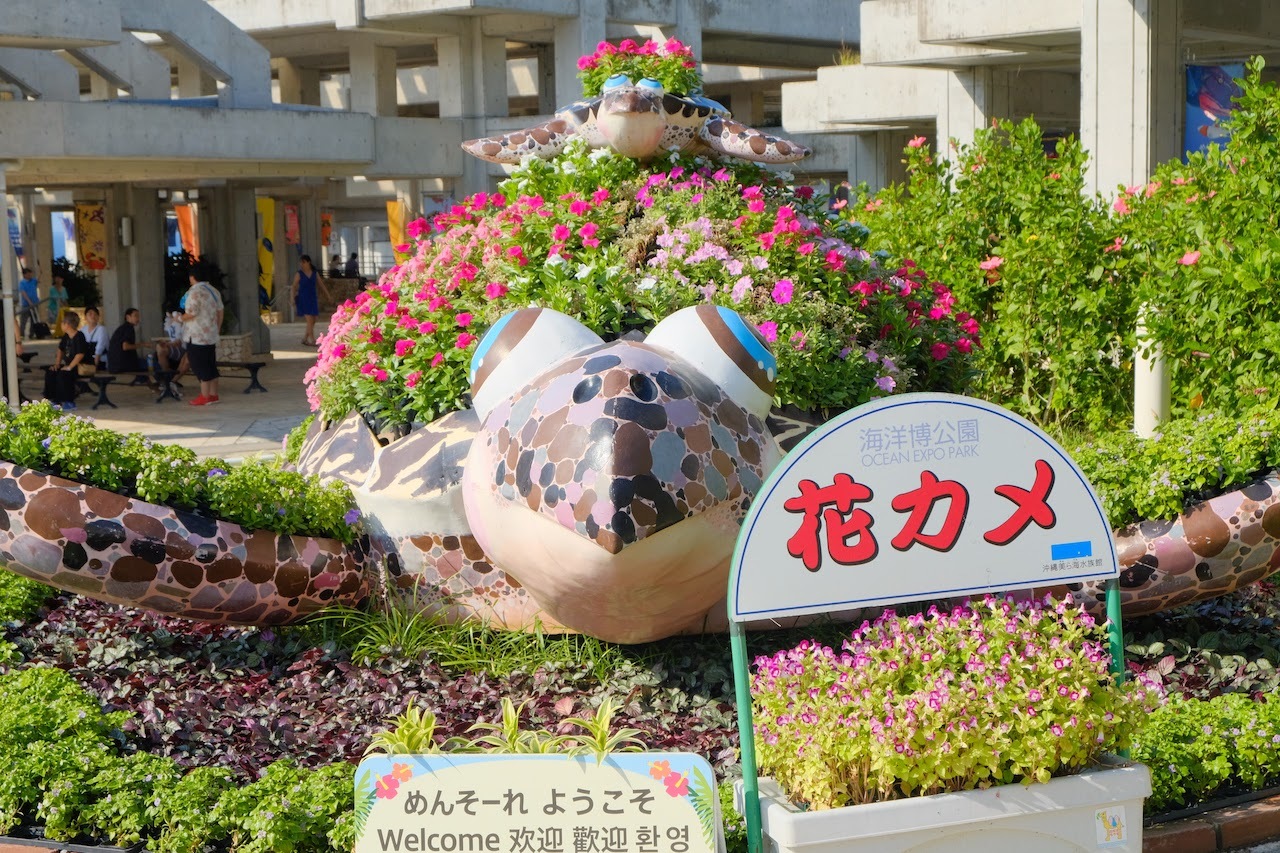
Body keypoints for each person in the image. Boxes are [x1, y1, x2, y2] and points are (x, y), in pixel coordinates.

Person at [181, 274, 223, 406]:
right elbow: (220, 311)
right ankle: (213, 394)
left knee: (199, 364)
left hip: (196, 335)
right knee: (210, 363)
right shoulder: (213, 290)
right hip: (210, 334)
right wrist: (217, 328)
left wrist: (179, 318)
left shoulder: (194, 292)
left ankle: (204, 396)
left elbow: (192, 313)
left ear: (192, 277)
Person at [43, 311, 90, 410]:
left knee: (63, 374)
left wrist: (69, 367)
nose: (61, 325)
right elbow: (60, 349)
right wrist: (57, 364)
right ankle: (54, 399)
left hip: (80, 366)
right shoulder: (66, 336)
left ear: (67, 325)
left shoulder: (79, 336)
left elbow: (80, 354)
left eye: (62, 323)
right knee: (51, 371)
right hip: (69, 365)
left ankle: (69, 402)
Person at [107, 307, 150, 374]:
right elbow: (125, 347)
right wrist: (143, 344)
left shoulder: (123, 328)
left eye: (138, 316)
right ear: (128, 317)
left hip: (114, 366)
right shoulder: (129, 328)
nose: (138, 318)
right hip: (123, 366)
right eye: (135, 316)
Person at [292, 254, 320, 346]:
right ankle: (312, 339)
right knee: (309, 320)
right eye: (301, 262)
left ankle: (304, 338)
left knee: (314, 320)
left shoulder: (315, 273)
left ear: (308, 262)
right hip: (303, 299)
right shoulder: (299, 274)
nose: (301, 264)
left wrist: (328, 296)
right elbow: (294, 286)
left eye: (303, 262)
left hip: (312, 298)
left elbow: (321, 285)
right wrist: (292, 298)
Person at [16, 267, 39, 338]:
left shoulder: (33, 281)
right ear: (25, 275)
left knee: (34, 319)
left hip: (35, 303)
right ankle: (21, 334)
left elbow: (38, 279)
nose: (30, 275)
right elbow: (23, 293)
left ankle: (31, 334)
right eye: (28, 274)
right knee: (24, 320)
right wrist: (29, 301)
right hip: (26, 304)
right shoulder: (22, 283)